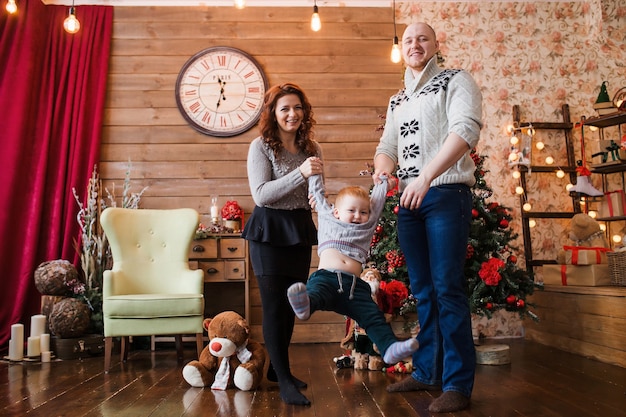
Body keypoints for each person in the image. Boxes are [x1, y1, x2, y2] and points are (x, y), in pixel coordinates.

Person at [372, 22, 483, 413]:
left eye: (423, 38)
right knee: (423, 290)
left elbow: (466, 130)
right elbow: (386, 146)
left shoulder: (456, 80)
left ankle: (455, 384)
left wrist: (424, 177)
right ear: (401, 49)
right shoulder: (397, 99)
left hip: (446, 194)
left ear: (436, 44)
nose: (415, 44)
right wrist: (384, 170)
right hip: (408, 201)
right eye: (408, 40)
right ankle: (427, 372)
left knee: (448, 287)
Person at [242, 83, 323, 406]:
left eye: (298, 108)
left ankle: (278, 369)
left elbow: (316, 193)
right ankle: (284, 379)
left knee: (292, 303)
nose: (292, 114)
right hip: (269, 230)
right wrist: (300, 174)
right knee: (275, 307)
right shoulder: (260, 147)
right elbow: (261, 194)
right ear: (273, 114)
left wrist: (330, 210)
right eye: (285, 108)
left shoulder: (312, 147)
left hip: (300, 229)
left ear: (305, 113)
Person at [287, 174, 419, 367]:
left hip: (354, 287)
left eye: (363, 212)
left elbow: (378, 201)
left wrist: (382, 184)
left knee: (372, 315)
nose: (358, 216)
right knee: (316, 292)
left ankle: (389, 348)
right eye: (352, 210)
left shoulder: (367, 225)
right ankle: (305, 306)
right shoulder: (327, 216)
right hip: (326, 278)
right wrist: (314, 172)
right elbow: (316, 191)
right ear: (337, 212)